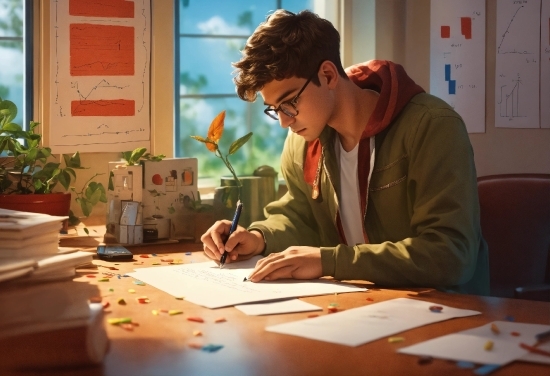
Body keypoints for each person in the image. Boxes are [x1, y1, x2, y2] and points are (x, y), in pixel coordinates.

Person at [201, 9, 489, 295]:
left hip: (447, 311)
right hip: (358, 302)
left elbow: (451, 254)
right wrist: (256, 237)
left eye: (289, 103)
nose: (285, 122)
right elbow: (300, 217)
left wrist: (329, 261)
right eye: (275, 110)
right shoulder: (302, 140)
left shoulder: (432, 126)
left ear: (327, 75)